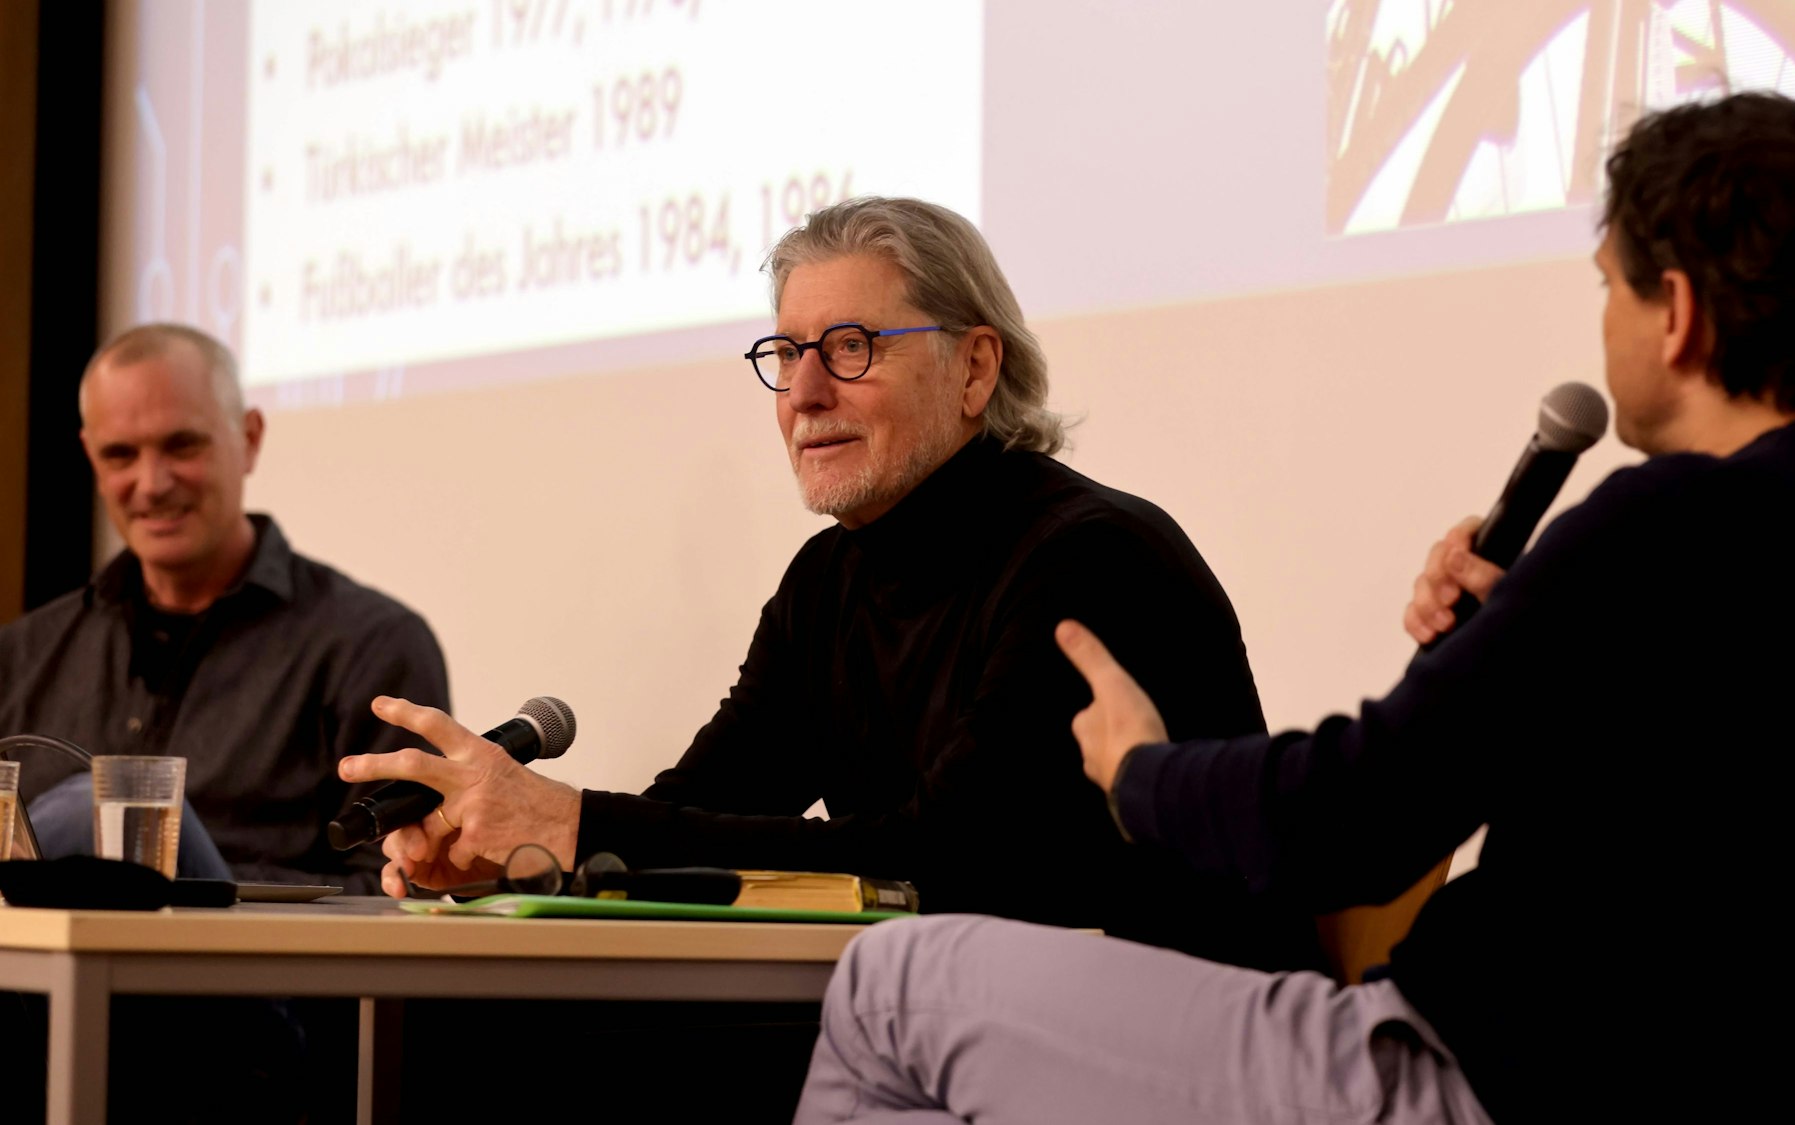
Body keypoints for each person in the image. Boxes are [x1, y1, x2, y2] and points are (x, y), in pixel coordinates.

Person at [789, 94, 1795, 1124]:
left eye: (1609, 288)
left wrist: (1141, 772)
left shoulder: (1657, 528)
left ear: (1674, 313)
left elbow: (1352, 826)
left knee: (890, 988)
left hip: (1465, 1087)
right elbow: (1721, 813)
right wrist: (1519, 639)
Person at [347, 197, 1322, 970]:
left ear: (975, 369)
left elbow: (943, 863)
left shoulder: (1089, 558)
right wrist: (524, 857)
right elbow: (704, 806)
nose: (805, 392)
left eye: (850, 348)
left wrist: (574, 826)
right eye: (786, 354)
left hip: (1159, 1031)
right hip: (943, 1010)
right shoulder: (830, 576)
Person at [0, 322, 450, 893]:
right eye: (120, 455)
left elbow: (400, 891)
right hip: (36, 981)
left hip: (253, 980)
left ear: (251, 438)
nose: (152, 482)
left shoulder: (371, 649)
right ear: (91, 457)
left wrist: (190, 884)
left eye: (182, 445)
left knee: (93, 806)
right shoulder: (22, 654)